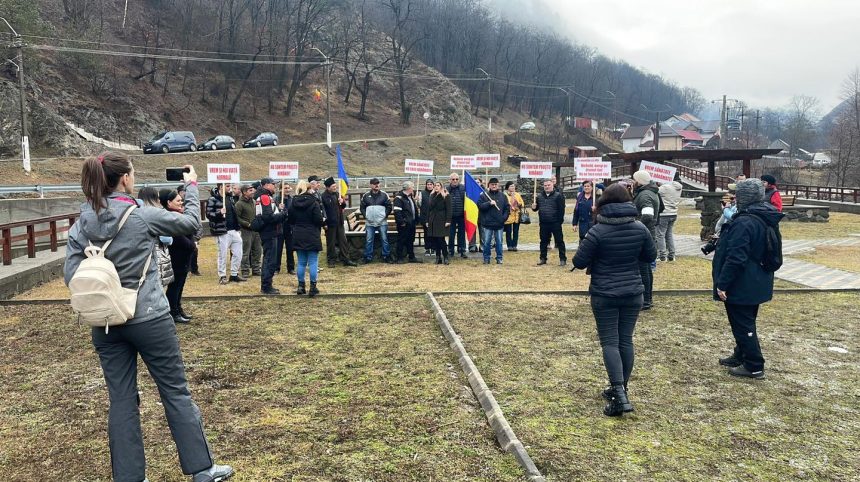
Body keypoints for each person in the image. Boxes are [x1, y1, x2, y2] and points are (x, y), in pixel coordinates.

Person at [64, 153, 232, 482]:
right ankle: (202, 469)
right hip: (149, 316)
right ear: (124, 179)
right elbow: (190, 224)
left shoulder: (81, 221)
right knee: (175, 391)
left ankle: (130, 478)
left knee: (122, 401)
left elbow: (72, 274)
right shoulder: (139, 215)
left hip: (105, 320)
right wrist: (192, 186)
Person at [572, 183, 657, 417]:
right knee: (625, 340)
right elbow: (650, 255)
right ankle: (621, 388)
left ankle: (619, 393)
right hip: (632, 291)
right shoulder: (640, 228)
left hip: (605, 293)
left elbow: (579, 261)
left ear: (603, 203)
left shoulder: (597, 230)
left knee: (610, 342)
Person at [713, 179, 783, 379]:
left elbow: (736, 257)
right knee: (746, 320)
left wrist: (723, 283)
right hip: (757, 279)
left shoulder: (745, 221)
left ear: (745, 197)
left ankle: (753, 364)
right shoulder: (763, 216)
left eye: (737, 194)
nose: (734, 197)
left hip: (743, 281)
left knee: (743, 323)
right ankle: (741, 354)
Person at [159, 189, 196, 324]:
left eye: (181, 200)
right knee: (175, 286)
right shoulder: (170, 218)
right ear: (169, 203)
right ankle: (173, 311)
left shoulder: (180, 215)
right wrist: (191, 245)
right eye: (178, 200)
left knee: (180, 284)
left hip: (184, 256)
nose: (181, 203)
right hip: (176, 257)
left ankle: (178, 308)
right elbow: (177, 237)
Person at [289, 180, 325, 296]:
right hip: (312, 233)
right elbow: (318, 220)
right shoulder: (314, 202)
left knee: (301, 262)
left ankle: (301, 285)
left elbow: (291, 219)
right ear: (308, 189)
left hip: (298, 233)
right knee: (313, 262)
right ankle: (313, 286)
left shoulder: (293, 202)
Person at [632, 169, 661, 310]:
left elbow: (648, 216)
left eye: (635, 180)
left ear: (640, 181)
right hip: (648, 234)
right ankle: (647, 298)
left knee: (643, 269)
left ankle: (646, 300)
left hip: (644, 236)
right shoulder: (651, 192)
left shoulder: (645, 195)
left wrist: (636, 228)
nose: (633, 182)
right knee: (646, 269)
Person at [207, 184, 245, 284]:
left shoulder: (230, 198)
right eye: (228, 186)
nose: (230, 188)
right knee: (222, 254)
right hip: (222, 231)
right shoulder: (213, 199)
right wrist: (220, 212)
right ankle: (222, 276)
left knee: (238, 253)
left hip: (234, 230)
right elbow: (209, 214)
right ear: (221, 187)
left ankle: (234, 274)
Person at [138, 187, 174, 289]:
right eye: (157, 198)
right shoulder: (156, 214)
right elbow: (166, 239)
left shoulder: (136, 211)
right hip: (158, 257)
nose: (159, 200)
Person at [256, 177, 287, 295]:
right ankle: (266, 286)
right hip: (269, 232)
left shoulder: (265, 196)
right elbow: (268, 217)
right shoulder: (265, 197)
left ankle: (267, 284)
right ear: (266, 185)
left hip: (269, 231)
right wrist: (282, 215)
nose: (274, 186)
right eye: (273, 184)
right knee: (269, 260)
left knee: (270, 259)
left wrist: (278, 211)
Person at [321, 177, 358, 267]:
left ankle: (346, 259)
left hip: (339, 222)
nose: (335, 187)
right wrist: (324, 224)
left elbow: (342, 207)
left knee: (343, 242)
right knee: (331, 243)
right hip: (330, 224)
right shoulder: (323, 196)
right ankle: (331, 260)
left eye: (335, 186)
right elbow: (322, 211)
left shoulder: (337, 194)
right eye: (333, 186)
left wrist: (343, 202)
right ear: (327, 187)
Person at [531, 179, 567, 266]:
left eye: (549, 185)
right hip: (543, 223)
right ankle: (543, 258)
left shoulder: (558, 196)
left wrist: (559, 221)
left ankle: (562, 259)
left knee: (559, 241)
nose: (547, 187)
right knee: (543, 241)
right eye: (545, 185)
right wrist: (533, 207)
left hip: (555, 223)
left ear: (552, 185)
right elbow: (536, 209)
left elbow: (561, 210)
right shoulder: (539, 196)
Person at [360, 178, 393, 263]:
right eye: (374, 183)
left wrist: (384, 215)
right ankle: (368, 257)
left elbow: (389, 206)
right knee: (369, 240)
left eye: (378, 183)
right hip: (369, 223)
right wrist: (366, 216)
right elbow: (362, 207)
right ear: (371, 185)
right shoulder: (366, 195)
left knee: (384, 239)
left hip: (382, 222)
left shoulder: (384, 195)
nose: (376, 185)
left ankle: (386, 256)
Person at [478, 177, 510, 264]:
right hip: (487, 224)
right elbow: (480, 206)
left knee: (499, 242)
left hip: (499, 224)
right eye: (492, 184)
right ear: (489, 185)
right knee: (487, 242)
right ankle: (486, 258)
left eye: (495, 184)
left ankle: (499, 258)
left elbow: (507, 208)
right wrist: (489, 203)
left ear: (498, 185)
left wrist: (503, 218)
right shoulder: (484, 196)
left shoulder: (503, 196)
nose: (494, 186)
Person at [234, 184, 262, 277]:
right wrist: (247, 224)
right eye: (250, 190)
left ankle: (256, 269)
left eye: (252, 190)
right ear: (244, 192)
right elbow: (237, 218)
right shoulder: (239, 204)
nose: (253, 191)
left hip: (256, 230)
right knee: (245, 251)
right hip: (246, 231)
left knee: (257, 251)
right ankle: (245, 270)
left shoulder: (254, 202)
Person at [393, 181, 422, 263]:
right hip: (404, 224)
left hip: (411, 223)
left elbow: (413, 209)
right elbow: (397, 212)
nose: (413, 189)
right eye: (412, 187)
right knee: (401, 240)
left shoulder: (410, 197)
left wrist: (416, 219)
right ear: (409, 188)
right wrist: (402, 222)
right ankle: (399, 258)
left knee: (411, 240)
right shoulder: (399, 198)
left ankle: (411, 257)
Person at [178, 185, 203, 277]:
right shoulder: (177, 206)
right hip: (183, 235)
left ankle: (194, 269)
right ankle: (187, 270)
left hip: (193, 235)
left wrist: (197, 237)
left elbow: (198, 223)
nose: (184, 193)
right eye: (182, 192)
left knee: (194, 252)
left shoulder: (191, 205)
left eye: (185, 191)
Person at [656, 174, 683, 261]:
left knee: (660, 235)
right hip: (673, 213)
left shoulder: (665, 187)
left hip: (664, 213)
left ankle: (662, 256)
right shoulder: (678, 187)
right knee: (669, 234)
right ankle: (671, 254)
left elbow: (654, 191)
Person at [427, 181, 452, 264]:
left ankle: (445, 256)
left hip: (442, 219)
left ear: (441, 186)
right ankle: (438, 257)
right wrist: (428, 220)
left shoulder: (446, 195)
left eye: (438, 185)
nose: (436, 187)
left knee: (441, 239)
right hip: (433, 219)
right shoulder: (432, 195)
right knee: (435, 239)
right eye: (435, 185)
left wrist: (448, 220)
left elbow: (449, 209)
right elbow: (429, 208)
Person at [273, 183, 296, 275]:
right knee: (278, 248)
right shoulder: (276, 200)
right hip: (279, 226)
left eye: (288, 188)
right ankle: (276, 268)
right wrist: (279, 208)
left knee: (290, 248)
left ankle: (290, 267)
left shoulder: (292, 200)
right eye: (285, 188)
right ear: (280, 190)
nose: (287, 189)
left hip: (289, 226)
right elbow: (273, 212)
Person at [447, 173, 468, 258]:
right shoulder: (446, 189)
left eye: (456, 179)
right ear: (450, 180)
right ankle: (450, 250)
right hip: (451, 216)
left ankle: (462, 250)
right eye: (453, 179)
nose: (455, 181)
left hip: (461, 215)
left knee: (461, 234)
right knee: (451, 234)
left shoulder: (463, 188)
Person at [504, 181, 524, 251]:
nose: (513, 187)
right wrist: (510, 206)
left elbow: (522, 203)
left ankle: (514, 245)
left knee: (516, 231)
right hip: (509, 215)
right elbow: (505, 204)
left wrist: (518, 204)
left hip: (516, 216)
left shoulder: (517, 194)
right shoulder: (505, 195)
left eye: (513, 186)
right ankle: (509, 245)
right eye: (511, 186)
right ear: (507, 187)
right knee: (508, 231)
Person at [419, 179, 435, 256]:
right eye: (428, 184)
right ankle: (428, 248)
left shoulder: (436, 192)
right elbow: (419, 204)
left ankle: (434, 248)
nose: (429, 186)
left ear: (433, 185)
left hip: (434, 217)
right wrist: (417, 200)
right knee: (427, 233)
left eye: (430, 184)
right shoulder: (422, 193)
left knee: (434, 233)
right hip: (425, 217)